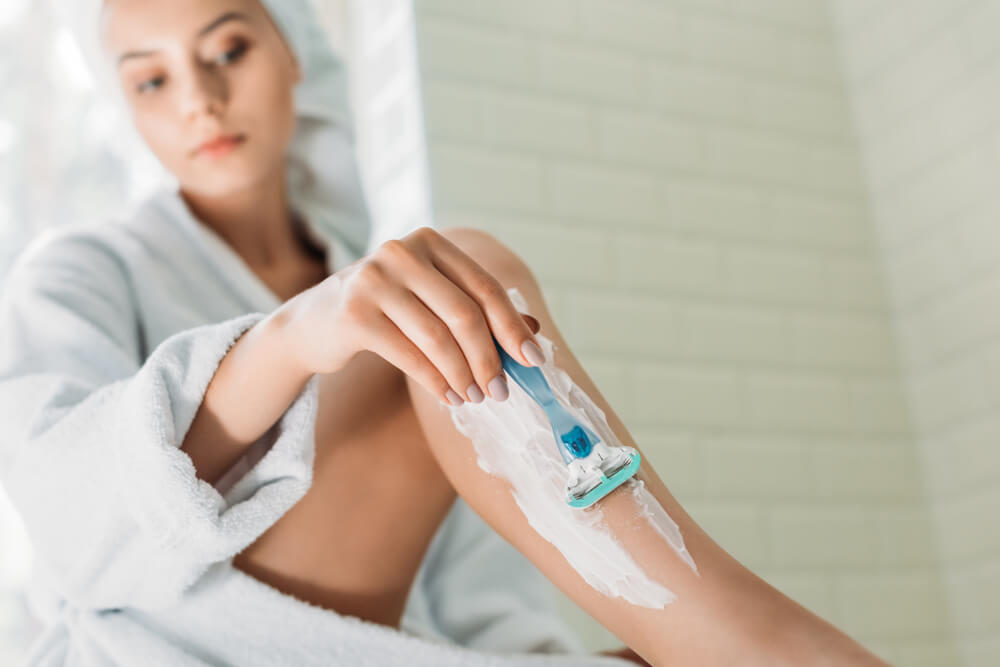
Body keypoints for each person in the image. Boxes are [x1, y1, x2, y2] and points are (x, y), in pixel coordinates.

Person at [0, 1, 894, 665]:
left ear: (294, 50)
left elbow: (472, 577)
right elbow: (73, 526)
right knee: (445, 283)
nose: (199, 100)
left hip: (373, 643)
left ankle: (710, 639)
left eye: (229, 47)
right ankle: (758, 643)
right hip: (168, 643)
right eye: (151, 79)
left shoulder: (362, 274)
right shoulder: (76, 271)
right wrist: (289, 342)